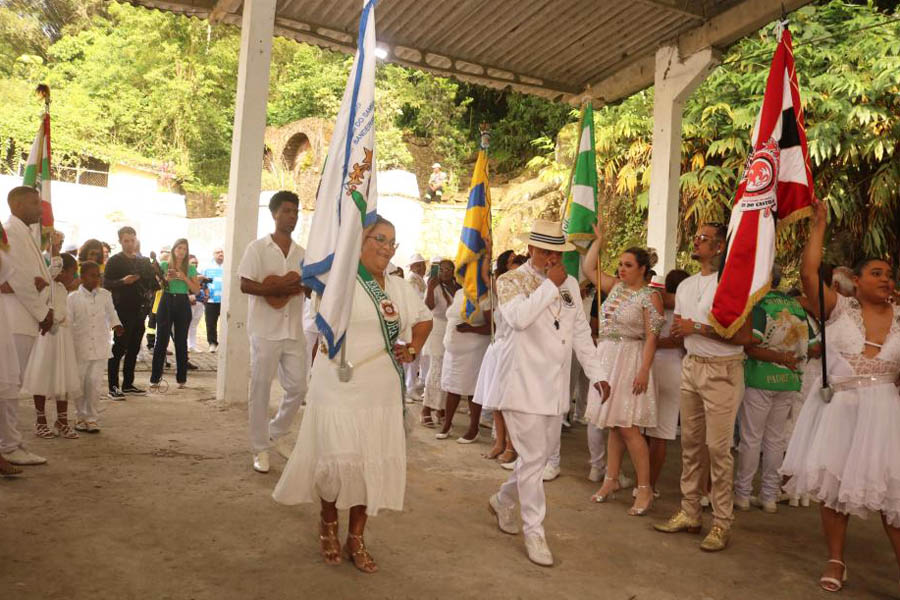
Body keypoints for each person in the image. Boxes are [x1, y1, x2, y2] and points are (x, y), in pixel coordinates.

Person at [273, 215, 433, 574]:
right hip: (338, 386)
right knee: (336, 458)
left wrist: (414, 347)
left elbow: (424, 319)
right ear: (359, 241)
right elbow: (312, 282)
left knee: (368, 462)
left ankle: (356, 537)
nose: (387, 247)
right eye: (379, 238)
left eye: (392, 241)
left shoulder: (398, 286)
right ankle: (328, 523)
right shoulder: (338, 281)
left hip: (382, 389)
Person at [781, 201, 900, 592]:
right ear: (856, 281)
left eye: (889, 274)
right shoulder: (838, 309)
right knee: (833, 485)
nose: (885, 279)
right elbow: (808, 272)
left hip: (885, 413)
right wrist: (819, 225)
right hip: (842, 410)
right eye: (876, 273)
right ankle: (835, 560)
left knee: (891, 490)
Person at [486, 220, 604, 567]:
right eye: (545, 252)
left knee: (534, 460)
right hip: (521, 384)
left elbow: (580, 331)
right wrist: (548, 288)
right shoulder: (510, 281)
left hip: (555, 388)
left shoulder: (568, 283)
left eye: (557, 253)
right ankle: (534, 531)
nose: (552, 258)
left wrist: (598, 374)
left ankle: (503, 500)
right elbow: (518, 318)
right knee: (536, 459)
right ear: (531, 250)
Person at [654, 222, 752, 552]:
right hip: (692, 366)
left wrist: (697, 327)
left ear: (720, 247)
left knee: (718, 450)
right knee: (692, 446)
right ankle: (690, 512)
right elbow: (682, 332)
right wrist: (687, 334)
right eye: (696, 236)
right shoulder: (686, 286)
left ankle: (722, 522)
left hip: (723, 370)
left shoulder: (733, 286)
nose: (696, 241)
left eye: (704, 238)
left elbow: (744, 337)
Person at [582, 228, 665, 517]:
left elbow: (652, 337)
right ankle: (611, 479)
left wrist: (644, 370)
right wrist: (599, 241)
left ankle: (645, 490)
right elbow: (588, 267)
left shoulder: (649, 297)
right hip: (608, 357)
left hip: (631, 359)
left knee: (628, 427)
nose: (621, 269)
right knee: (614, 424)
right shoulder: (615, 287)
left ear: (643, 269)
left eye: (628, 265)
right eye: (620, 264)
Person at [237, 191, 308, 474]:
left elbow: (310, 286)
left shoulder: (303, 254)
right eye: (287, 210)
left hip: (293, 330)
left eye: (296, 211)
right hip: (265, 331)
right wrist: (275, 289)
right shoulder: (257, 248)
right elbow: (245, 285)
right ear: (274, 213)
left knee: (299, 387)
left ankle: (275, 434)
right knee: (261, 389)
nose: (292, 216)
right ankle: (260, 449)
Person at [734, 265, 809, 514]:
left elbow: (751, 346)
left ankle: (743, 495)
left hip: (760, 378)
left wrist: (776, 357)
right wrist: (788, 359)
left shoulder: (759, 304)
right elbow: (813, 346)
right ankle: (769, 497)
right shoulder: (797, 306)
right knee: (775, 440)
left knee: (751, 439)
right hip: (789, 380)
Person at [0, 186, 51, 466]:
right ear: (17, 204)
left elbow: (29, 278)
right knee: (9, 386)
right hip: (14, 319)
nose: (40, 209)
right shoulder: (10, 231)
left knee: (11, 384)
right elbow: (19, 279)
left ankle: (9, 443)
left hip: (22, 317)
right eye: (34, 203)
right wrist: (43, 312)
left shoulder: (22, 231)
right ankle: (9, 445)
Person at [22, 253, 81, 439]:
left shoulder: (62, 289)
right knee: (42, 376)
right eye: (72, 272)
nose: (74, 276)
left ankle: (62, 420)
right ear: (61, 271)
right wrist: (54, 257)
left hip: (63, 337)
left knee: (62, 377)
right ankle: (41, 421)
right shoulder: (48, 287)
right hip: (47, 338)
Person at [473, 249, 519, 463]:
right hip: (498, 349)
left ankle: (511, 446)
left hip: (514, 352)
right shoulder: (502, 291)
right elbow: (485, 276)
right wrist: (486, 253)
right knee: (496, 402)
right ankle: (499, 443)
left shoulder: (526, 297)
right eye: (510, 264)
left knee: (509, 403)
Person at [646, 269, 689, 496]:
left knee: (642, 430)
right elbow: (681, 342)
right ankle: (650, 485)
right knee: (660, 434)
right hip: (673, 369)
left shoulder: (654, 302)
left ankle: (641, 483)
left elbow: (647, 336)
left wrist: (653, 344)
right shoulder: (688, 308)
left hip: (649, 365)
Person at [68, 261, 124, 433]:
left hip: (100, 345)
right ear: (82, 276)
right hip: (81, 347)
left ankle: (91, 418)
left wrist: (117, 324)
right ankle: (80, 417)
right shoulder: (72, 298)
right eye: (92, 275)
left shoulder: (105, 294)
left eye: (98, 275)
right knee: (79, 383)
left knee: (94, 383)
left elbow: (111, 312)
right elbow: (68, 322)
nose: (96, 279)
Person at [104, 226, 157, 398]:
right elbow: (106, 283)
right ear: (120, 241)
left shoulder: (142, 261)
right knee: (119, 348)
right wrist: (123, 281)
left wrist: (158, 275)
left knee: (134, 348)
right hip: (122, 309)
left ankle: (128, 384)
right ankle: (113, 386)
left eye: (132, 240)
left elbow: (153, 284)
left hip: (140, 310)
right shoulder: (114, 261)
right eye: (126, 241)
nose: (129, 244)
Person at [436, 282, 492, 442]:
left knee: (471, 389)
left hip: (473, 350)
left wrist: (470, 329)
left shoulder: (485, 296)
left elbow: (492, 327)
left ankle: (473, 428)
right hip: (453, 350)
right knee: (451, 388)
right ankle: (447, 424)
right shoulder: (460, 292)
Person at [149, 238, 200, 390]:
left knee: (181, 341)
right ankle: (155, 378)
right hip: (166, 299)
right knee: (161, 340)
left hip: (183, 302)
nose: (181, 251)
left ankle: (182, 378)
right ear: (173, 249)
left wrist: (184, 277)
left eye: (184, 249)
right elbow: (156, 285)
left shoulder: (190, 267)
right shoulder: (164, 265)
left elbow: (196, 290)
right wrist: (166, 278)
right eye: (179, 248)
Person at [421, 258, 456, 427]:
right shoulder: (434, 285)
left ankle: (440, 408)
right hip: (437, 328)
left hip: (452, 330)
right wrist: (429, 287)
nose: (445, 272)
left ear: (453, 271)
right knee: (436, 369)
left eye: (448, 269)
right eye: (441, 269)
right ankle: (426, 409)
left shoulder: (457, 287)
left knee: (446, 370)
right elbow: (428, 306)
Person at [404, 253, 427, 400]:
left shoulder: (419, 280)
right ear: (412, 267)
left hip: (418, 321)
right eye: (418, 265)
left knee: (414, 357)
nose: (421, 268)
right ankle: (409, 388)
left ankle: (410, 386)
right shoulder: (412, 280)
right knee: (411, 357)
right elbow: (415, 301)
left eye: (422, 265)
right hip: (413, 322)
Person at [202, 247, 224, 352]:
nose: (220, 254)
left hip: (225, 300)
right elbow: (201, 282)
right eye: (218, 252)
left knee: (226, 323)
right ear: (213, 255)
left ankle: (225, 343)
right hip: (211, 300)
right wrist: (204, 293)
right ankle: (212, 343)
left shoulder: (228, 265)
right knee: (210, 323)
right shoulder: (207, 267)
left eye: (222, 252)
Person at [187, 254, 206, 352]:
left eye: (196, 263)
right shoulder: (186, 274)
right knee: (186, 324)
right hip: (190, 302)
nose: (195, 264)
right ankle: (185, 345)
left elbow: (203, 287)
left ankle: (192, 345)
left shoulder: (198, 273)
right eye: (192, 262)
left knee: (194, 325)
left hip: (200, 302)